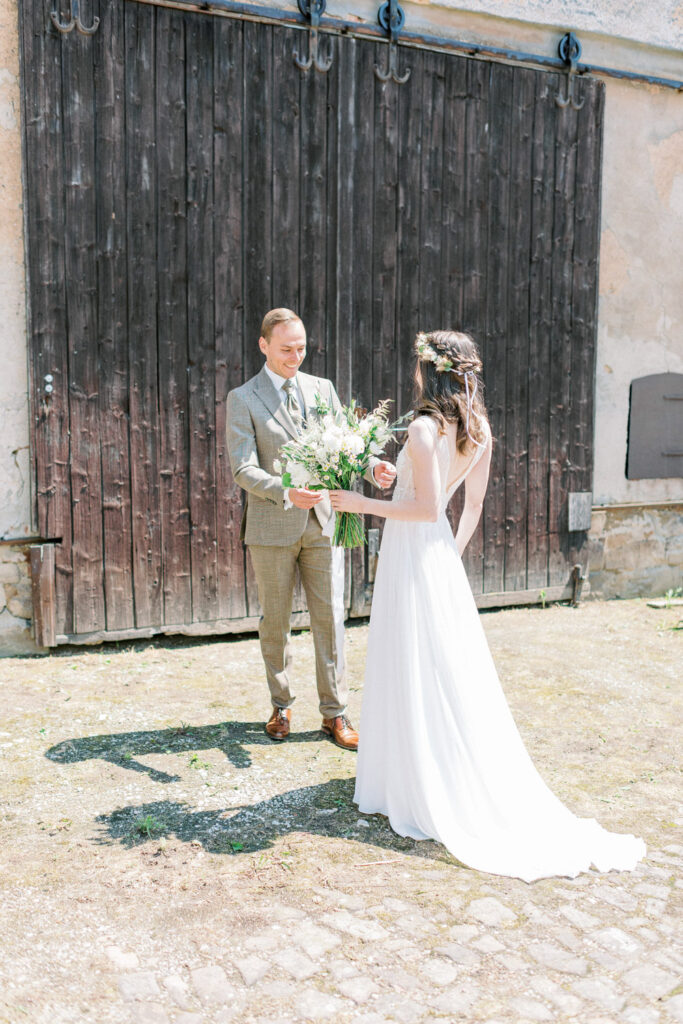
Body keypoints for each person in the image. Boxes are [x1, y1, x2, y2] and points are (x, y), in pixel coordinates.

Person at [330, 330, 646, 881]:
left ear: (428, 371)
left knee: (410, 657)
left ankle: (413, 776)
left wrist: (361, 502)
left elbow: (425, 508)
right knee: (435, 663)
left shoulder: (424, 427)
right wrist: (445, 557)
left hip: (413, 551)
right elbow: (469, 505)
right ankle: (426, 766)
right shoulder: (478, 430)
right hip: (435, 556)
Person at [226, 308, 396, 751]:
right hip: (272, 526)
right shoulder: (242, 398)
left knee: (331, 620)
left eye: (301, 348)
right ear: (263, 346)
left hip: (323, 523)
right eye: (286, 349)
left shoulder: (323, 389)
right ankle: (281, 705)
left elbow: (346, 447)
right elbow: (242, 468)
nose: (296, 356)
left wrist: (372, 466)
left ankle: (335, 713)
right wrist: (284, 490)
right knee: (276, 621)